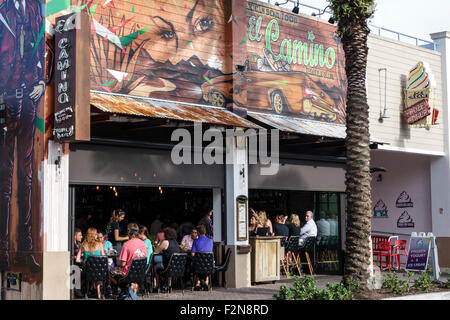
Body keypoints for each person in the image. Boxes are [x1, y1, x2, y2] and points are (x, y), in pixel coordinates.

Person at [0, 0, 45, 272]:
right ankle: (4, 251)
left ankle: (25, 250)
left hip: (30, 93)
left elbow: (40, 46)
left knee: (26, 176)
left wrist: (40, 81)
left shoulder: (33, 6)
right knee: (5, 176)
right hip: (5, 96)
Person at [110, 223, 147, 296]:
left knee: (110, 272)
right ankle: (132, 286)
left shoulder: (126, 244)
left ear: (128, 231)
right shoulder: (143, 244)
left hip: (128, 274)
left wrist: (118, 266)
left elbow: (123, 264)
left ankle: (125, 289)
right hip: (140, 272)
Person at [76, 228, 105, 299]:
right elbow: (103, 257)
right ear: (93, 235)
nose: (97, 235)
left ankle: (86, 292)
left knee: (88, 273)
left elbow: (77, 260)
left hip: (87, 270)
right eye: (96, 234)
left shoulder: (83, 245)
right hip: (98, 270)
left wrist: (84, 260)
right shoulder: (100, 244)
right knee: (98, 272)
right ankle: (99, 293)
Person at [153, 227, 180, 292]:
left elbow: (156, 251)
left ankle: (157, 286)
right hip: (177, 267)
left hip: (167, 267)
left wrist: (159, 244)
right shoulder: (176, 242)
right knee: (165, 262)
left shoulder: (165, 242)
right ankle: (169, 285)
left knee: (155, 266)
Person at [191, 224, 213, 291]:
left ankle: (197, 283)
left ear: (198, 233)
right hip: (209, 265)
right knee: (206, 263)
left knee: (196, 263)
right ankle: (206, 282)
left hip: (198, 266)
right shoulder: (211, 241)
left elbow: (192, 254)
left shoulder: (195, 241)